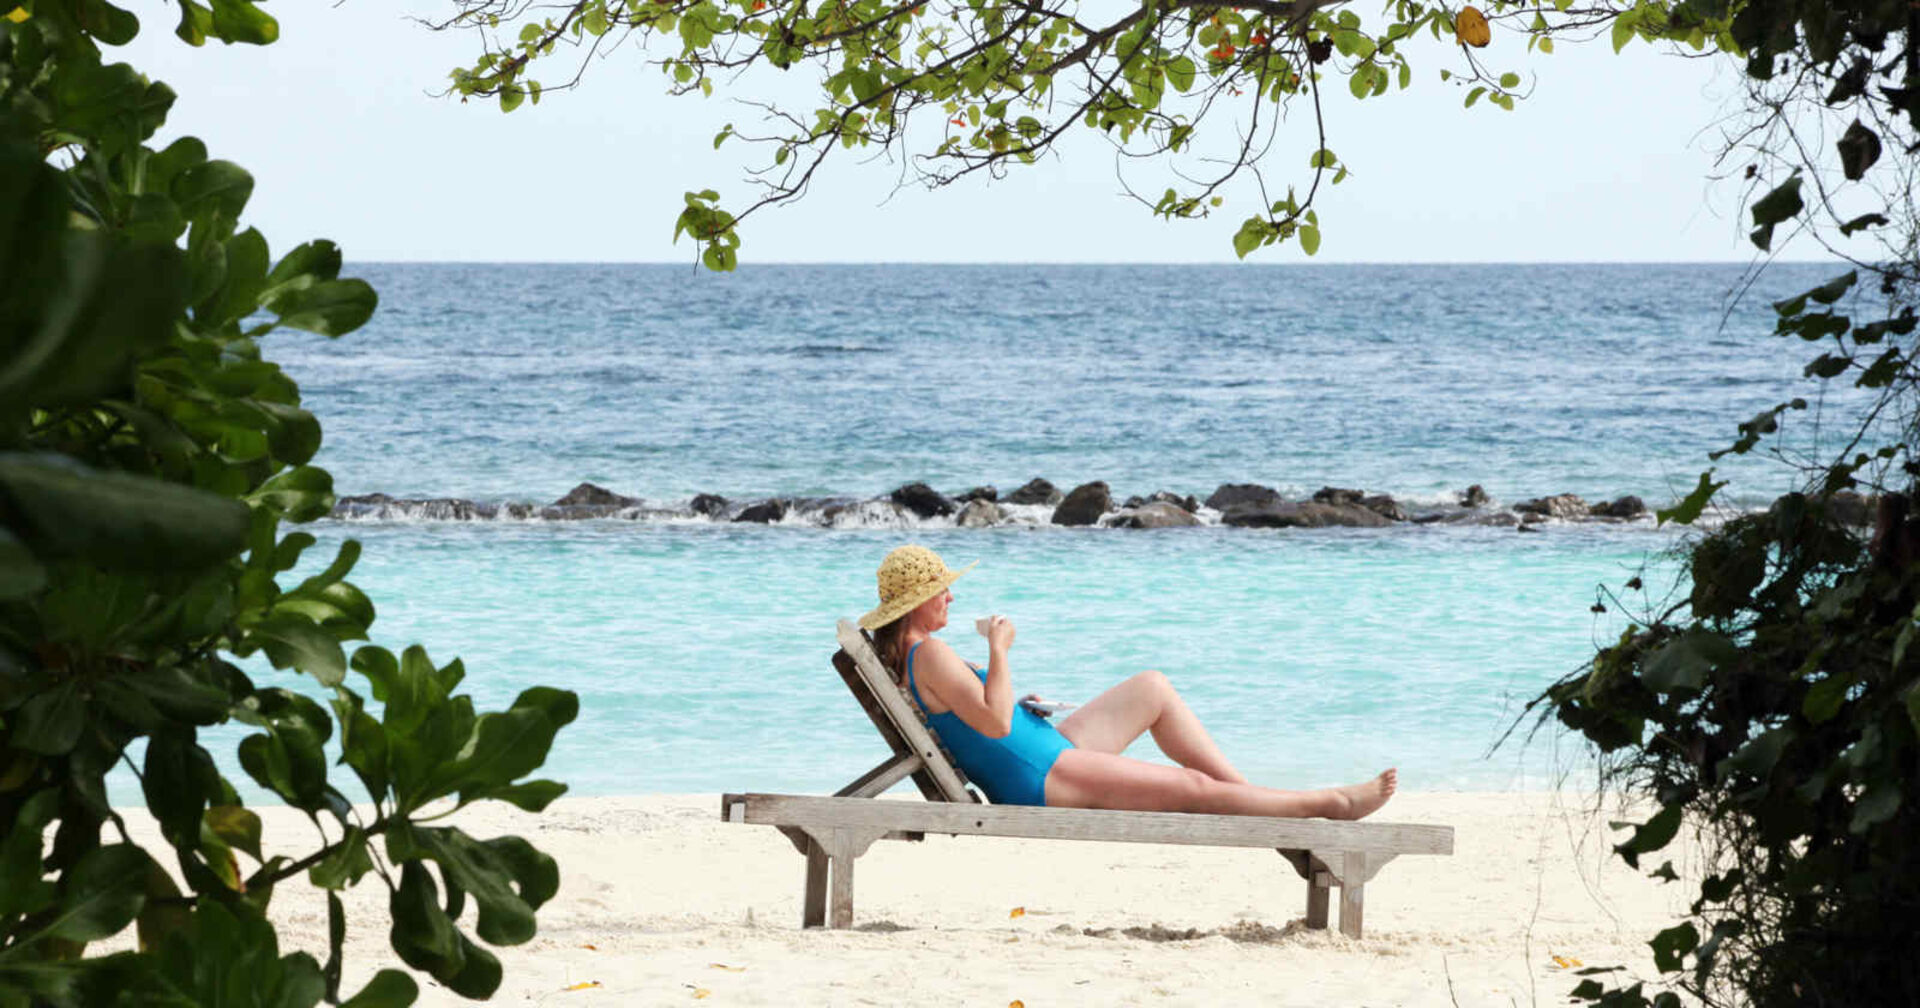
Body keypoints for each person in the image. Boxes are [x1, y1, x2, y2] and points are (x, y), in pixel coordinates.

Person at [858, 544, 1398, 818]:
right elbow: (995, 723)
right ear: (917, 603)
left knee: (1152, 688)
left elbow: (983, 714)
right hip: (1039, 775)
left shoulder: (920, 655)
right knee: (1191, 789)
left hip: (1044, 748)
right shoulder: (929, 652)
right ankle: (1327, 804)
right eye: (944, 589)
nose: (951, 596)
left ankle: (1249, 793)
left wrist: (1022, 701)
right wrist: (999, 649)